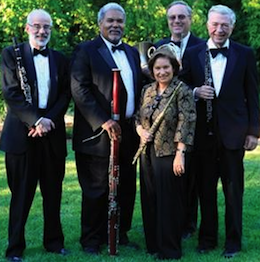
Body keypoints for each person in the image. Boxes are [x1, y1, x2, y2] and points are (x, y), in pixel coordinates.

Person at [180, 5, 260, 258]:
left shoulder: (244, 53)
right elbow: (179, 86)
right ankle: (207, 239)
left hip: (234, 134)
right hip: (202, 135)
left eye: (225, 25)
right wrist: (195, 92)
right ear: (207, 25)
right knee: (205, 190)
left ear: (232, 27)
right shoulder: (193, 53)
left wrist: (254, 132)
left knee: (233, 191)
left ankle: (233, 242)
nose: (219, 29)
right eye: (215, 24)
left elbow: (253, 94)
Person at [70, 2, 142, 255]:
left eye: (119, 21)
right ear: (100, 23)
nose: (115, 25)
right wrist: (103, 120)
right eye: (110, 21)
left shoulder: (133, 52)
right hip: (98, 132)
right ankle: (91, 239)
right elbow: (80, 89)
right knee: (97, 188)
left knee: (126, 187)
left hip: (129, 132)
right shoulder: (86, 50)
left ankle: (119, 233)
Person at [0, 9, 71, 262]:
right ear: (28, 27)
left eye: (47, 27)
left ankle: (54, 242)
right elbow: (11, 93)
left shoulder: (61, 59)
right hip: (22, 135)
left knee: (53, 193)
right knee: (21, 195)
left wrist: (48, 120)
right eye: (37, 26)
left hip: (51, 134)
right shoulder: (10, 54)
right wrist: (35, 120)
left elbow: (65, 94)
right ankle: (15, 248)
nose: (42, 31)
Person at [135, 44, 196, 260]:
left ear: (174, 67)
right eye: (157, 68)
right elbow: (137, 116)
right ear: (152, 70)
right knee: (150, 198)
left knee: (169, 202)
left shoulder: (183, 90)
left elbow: (186, 122)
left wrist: (181, 153)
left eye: (166, 67)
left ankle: (170, 249)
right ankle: (153, 244)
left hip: (170, 153)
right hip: (147, 152)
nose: (161, 72)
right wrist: (140, 129)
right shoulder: (147, 90)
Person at [155, 0, 205, 238]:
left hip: (194, 124)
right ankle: (168, 220)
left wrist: (193, 93)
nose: (177, 21)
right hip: (163, 127)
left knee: (191, 175)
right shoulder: (157, 46)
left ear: (190, 19)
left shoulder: (203, 46)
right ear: (168, 21)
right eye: (172, 18)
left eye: (181, 17)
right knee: (168, 177)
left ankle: (188, 223)